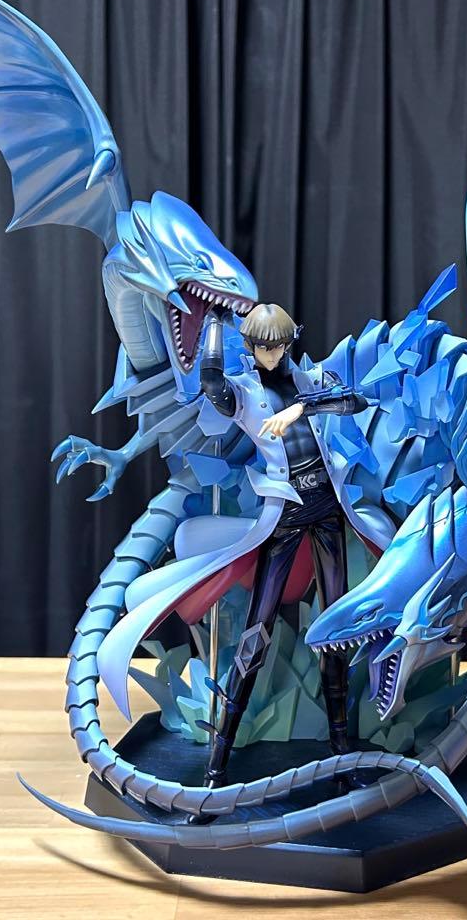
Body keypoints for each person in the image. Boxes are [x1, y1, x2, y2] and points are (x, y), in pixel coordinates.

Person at [190, 303, 371, 822]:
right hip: (287, 513)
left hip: (328, 508)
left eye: (279, 346)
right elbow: (211, 384)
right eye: (263, 347)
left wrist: (302, 408)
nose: (272, 355)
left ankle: (341, 755)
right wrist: (214, 329)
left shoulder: (311, 380)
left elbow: (355, 399)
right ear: (250, 347)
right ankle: (216, 771)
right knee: (256, 636)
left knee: (337, 627)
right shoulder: (246, 392)